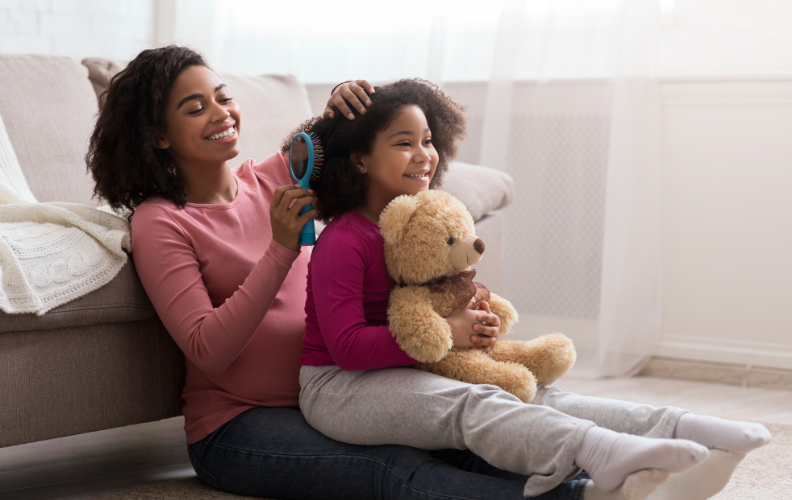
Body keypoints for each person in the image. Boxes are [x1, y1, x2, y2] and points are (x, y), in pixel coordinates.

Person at [86, 45, 612, 500]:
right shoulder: (160, 221)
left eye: (223, 97)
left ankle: (616, 474)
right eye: (195, 108)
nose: (221, 112)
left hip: (339, 392)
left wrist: (342, 103)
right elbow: (207, 349)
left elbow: (356, 147)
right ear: (158, 136)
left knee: (462, 439)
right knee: (395, 468)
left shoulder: (270, 177)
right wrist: (279, 251)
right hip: (238, 424)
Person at [293, 78, 773, 500]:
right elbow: (349, 348)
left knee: (535, 392)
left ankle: (682, 428)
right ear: (359, 159)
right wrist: (448, 331)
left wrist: (473, 322)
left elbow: (436, 303)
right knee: (475, 403)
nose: (424, 154)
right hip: (339, 388)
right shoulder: (344, 240)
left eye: (428, 140)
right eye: (404, 143)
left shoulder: (423, 223)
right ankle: (600, 453)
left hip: (413, 361)